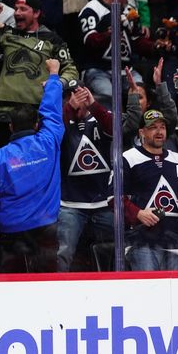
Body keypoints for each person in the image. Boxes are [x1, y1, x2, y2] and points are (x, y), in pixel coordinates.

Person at [0, 59, 64, 273]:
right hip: (45, 228)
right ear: (36, 124)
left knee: (10, 288)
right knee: (46, 286)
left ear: (10, 127)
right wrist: (53, 75)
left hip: (10, 231)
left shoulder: (1, 157)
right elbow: (52, 112)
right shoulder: (49, 141)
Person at [119, 109, 178, 271]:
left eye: (162, 127)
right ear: (142, 132)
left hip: (176, 241)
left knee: (175, 295)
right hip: (142, 241)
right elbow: (113, 198)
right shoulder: (128, 158)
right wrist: (138, 213)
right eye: (153, 127)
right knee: (148, 292)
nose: (159, 131)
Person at [57, 82, 115, 272]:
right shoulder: (61, 122)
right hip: (70, 205)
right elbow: (47, 132)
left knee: (125, 246)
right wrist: (69, 108)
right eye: (71, 96)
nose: (77, 99)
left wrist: (94, 106)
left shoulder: (102, 118)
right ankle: (55, 292)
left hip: (103, 204)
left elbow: (117, 129)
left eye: (81, 95)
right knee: (62, 253)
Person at [79, 0, 156, 99]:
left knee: (140, 95)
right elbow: (91, 42)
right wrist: (112, 31)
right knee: (109, 97)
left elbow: (137, 41)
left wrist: (156, 46)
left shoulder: (129, 11)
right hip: (98, 69)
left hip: (126, 70)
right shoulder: (92, 9)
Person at [0, 0, 78, 111]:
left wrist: (56, 84)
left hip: (36, 109)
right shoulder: (6, 34)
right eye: (16, 9)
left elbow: (71, 70)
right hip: (3, 108)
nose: (16, 13)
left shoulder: (53, 40)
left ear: (36, 13)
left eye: (23, 9)